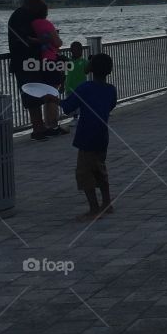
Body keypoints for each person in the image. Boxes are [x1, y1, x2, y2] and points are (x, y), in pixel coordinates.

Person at [61, 53, 117, 222]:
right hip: (102, 136)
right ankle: (107, 203)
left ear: (91, 68)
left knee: (84, 172)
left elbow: (68, 107)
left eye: (89, 62)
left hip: (87, 136)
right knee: (100, 168)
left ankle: (94, 209)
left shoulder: (85, 88)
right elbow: (110, 105)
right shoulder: (110, 89)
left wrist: (51, 99)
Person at [7, 0, 50, 142]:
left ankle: (40, 127)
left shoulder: (23, 15)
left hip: (29, 62)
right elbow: (24, 39)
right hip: (25, 62)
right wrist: (43, 40)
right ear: (34, 4)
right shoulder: (21, 16)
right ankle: (38, 128)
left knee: (34, 94)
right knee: (32, 95)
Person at [31, 3, 67, 135]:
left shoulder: (32, 24)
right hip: (51, 60)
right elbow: (57, 43)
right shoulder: (46, 24)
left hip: (38, 63)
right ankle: (53, 125)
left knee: (46, 93)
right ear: (45, 12)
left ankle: (47, 124)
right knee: (53, 92)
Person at [63, 41, 88, 120]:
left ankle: (82, 117)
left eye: (79, 50)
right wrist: (62, 85)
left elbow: (87, 71)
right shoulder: (68, 62)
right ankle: (75, 118)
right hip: (69, 87)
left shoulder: (84, 61)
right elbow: (64, 74)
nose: (78, 52)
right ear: (71, 51)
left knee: (81, 103)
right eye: (75, 50)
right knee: (72, 104)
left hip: (81, 88)